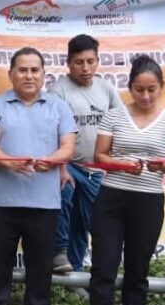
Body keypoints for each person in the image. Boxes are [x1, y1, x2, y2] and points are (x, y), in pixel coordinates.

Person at [81, 56, 165, 305]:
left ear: (161, 87)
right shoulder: (114, 115)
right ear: (130, 88)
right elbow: (100, 156)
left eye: (152, 89)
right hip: (112, 197)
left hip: (149, 200)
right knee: (105, 263)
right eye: (139, 89)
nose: (146, 96)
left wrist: (159, 165)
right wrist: (122, 165)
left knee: (138, 265)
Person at [0, 47, 76, 305]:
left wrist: (54, 159)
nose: (29, 75)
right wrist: (10, 162)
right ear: (11, 74)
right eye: (22, 70)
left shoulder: (58, 106)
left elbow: (68, 147)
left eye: (35, 70)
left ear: (44, 75)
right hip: (1, 202)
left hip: (44, 202)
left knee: (40, 267)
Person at [47, 34, 121, 275]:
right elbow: (52, 133)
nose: (86, 67)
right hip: (69, 165)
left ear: (98, 61)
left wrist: (114, 162)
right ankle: (58, 251)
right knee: (63, 197)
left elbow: (118, 124)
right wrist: (62, 167)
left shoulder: (106, 88)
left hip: (97, 169)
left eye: (91, 61)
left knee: (88, 223)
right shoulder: (58, 92)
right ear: (68, 63)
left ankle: (77, 274)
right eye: (79, 62)